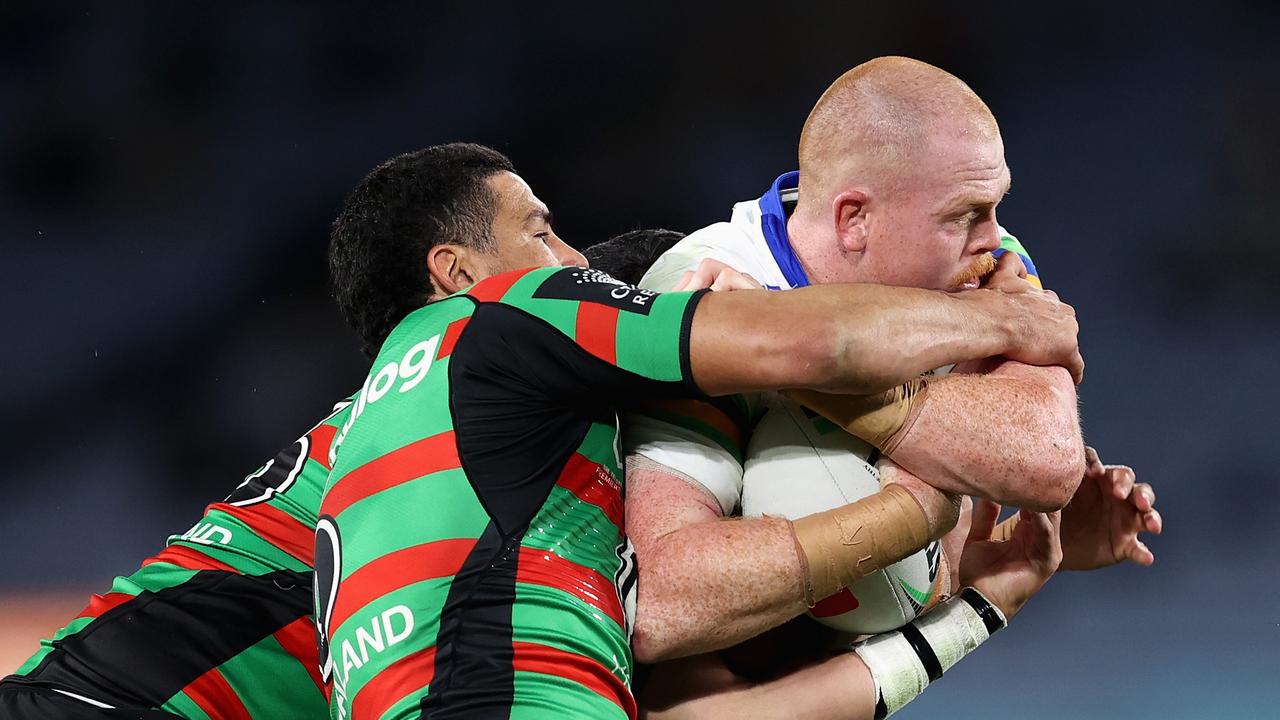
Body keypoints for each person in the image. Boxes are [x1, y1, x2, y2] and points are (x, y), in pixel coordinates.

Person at [313, 143, 1083, 720]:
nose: (573, 258)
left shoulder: (358, 450)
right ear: (455, 272)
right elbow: (807, 343)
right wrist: (1000, 318)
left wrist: (983, 608)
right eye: (542, 233)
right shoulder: (508, 314)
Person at [621, 58, 1162, 718]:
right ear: (854, 219)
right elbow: (661, 604)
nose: (995, 237)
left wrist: (793, 364)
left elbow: (1046, 463)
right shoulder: (699, 288)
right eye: (966, 214)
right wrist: (914, 513)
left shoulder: (990, 262)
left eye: (997, 206)